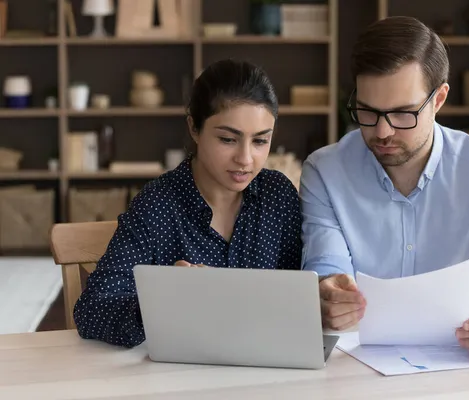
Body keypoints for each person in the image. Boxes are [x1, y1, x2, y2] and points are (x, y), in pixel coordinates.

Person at [300, 16, 469, 361]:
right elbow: (328, 270)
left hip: (462, 360)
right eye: (367, 111)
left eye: (403, 113)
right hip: (356, 363)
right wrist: (329, 295)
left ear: (438, 99)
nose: (382, 132)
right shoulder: (325, 171)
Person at [73, 59, 303, 348]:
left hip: (267, 369)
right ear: (194, 128)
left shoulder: (278, 196)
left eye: (260, 141)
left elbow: (300, 297)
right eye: (228, 139)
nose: (245, 159)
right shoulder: (158, 204)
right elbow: (92, 310)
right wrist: (161, 300)